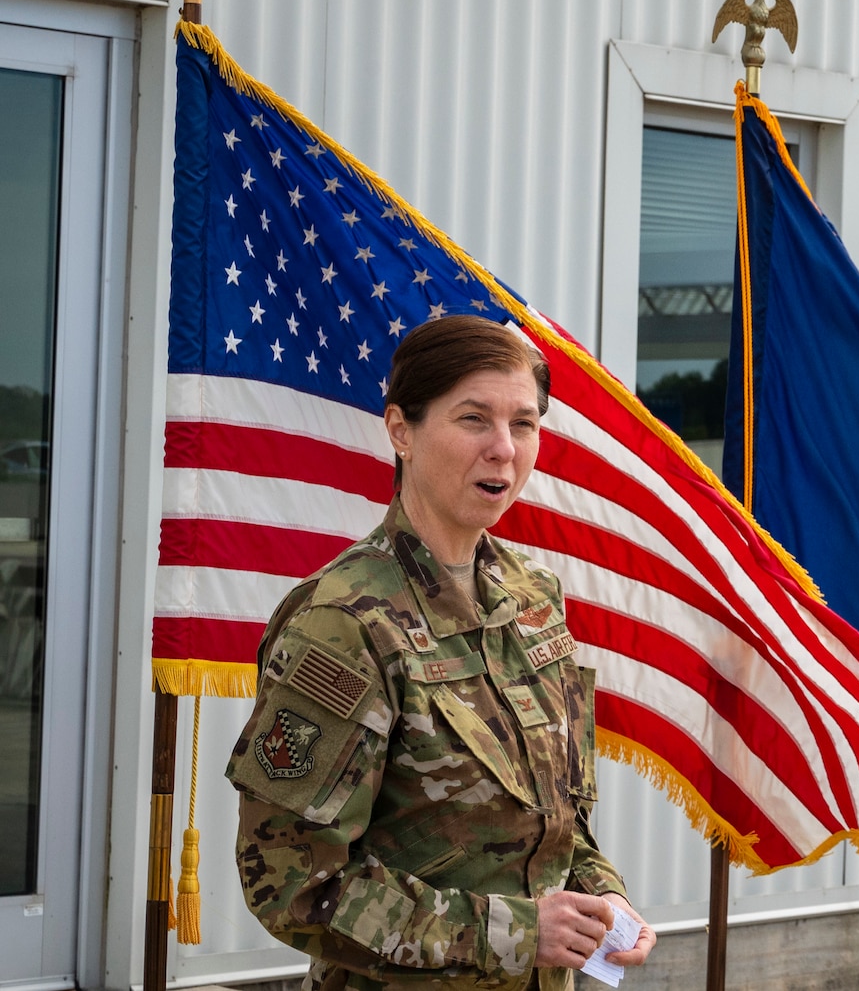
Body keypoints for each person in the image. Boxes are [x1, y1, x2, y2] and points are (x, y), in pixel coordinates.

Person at [228, 315, 656, 991]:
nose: (503, 448)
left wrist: (602, 896)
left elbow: (555, 820)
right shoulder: (344, 622)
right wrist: (515, 931)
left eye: (524, 422)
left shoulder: (533, 597)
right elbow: (290, 882)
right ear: (401, 429)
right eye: (473, 418)